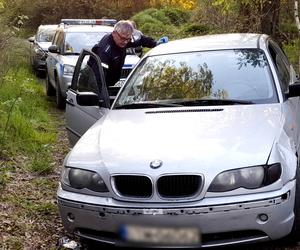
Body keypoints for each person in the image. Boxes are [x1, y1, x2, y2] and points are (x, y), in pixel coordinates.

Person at [88, 20, 168, 87]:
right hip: (100, 85)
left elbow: (140, 39)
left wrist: (155, 43)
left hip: (113, 81)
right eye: (123, 39)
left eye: (128, 39)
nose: (125, 42)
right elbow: (97, 79)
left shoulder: (123, 40)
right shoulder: (104, 51)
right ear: (114, 34)